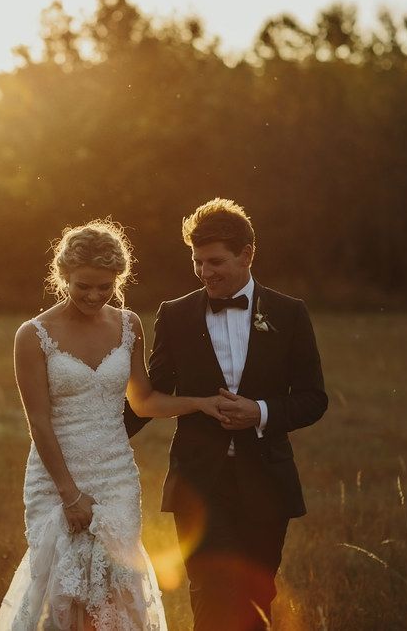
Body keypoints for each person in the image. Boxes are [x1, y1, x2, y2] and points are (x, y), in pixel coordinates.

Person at [0, 219, 227, 631]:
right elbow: (40, 423)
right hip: (57, 476)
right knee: (63, 589)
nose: (95, 295)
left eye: (106, 286)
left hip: (115, 473)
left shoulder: (128, 324)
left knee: (113, 588)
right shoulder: (33, 335)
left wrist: (201, 404)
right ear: (63, 275)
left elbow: (144, 400)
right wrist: (69, 494)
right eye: (84, 285)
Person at [124, 198, 328, 631]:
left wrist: (260, 412)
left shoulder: (290, 313)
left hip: (267, 480)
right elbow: (153, 391)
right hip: (199, 483)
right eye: (197, 262)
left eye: (215, 261)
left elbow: (313, 398)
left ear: (247, 254)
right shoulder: (175, 315)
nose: (204, 272)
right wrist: (93, 439)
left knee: (257, 597)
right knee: (211, 596)